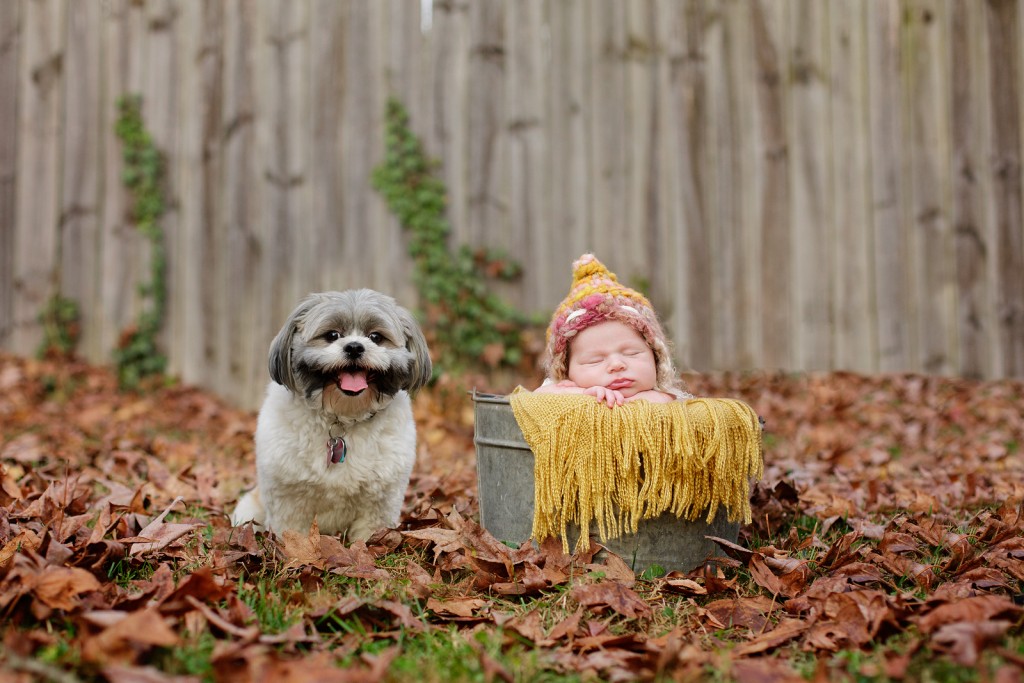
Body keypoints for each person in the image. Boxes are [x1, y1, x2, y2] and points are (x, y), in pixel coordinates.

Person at [532, 253, 691, 407]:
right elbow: (536, 399)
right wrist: (582, 396)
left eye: (632, 353)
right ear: (565, 371)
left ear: (657, 358)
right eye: (594, 360)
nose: (616, 364)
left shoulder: (665, 398)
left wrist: (637, 402)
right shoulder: (561, 391)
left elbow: (667, 404)